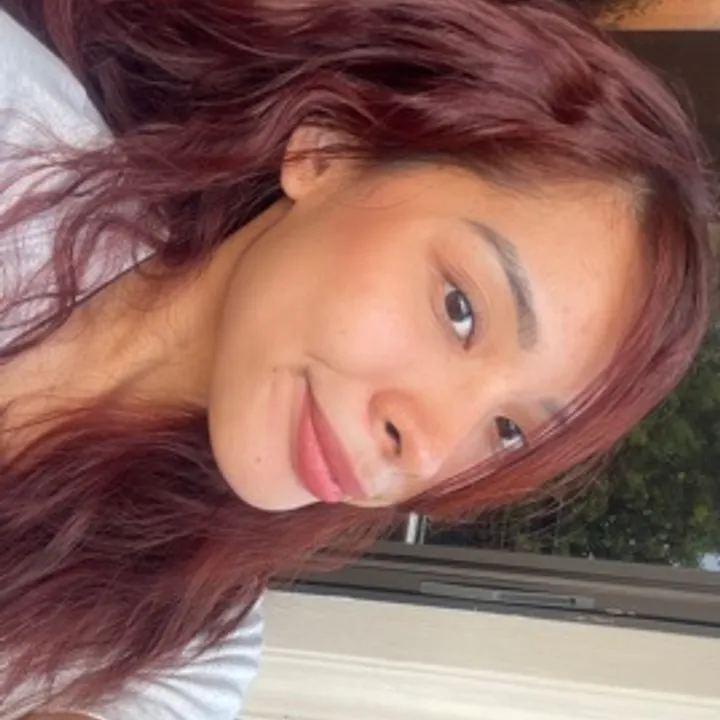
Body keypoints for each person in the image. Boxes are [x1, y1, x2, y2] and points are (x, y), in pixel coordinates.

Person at [0, 0, 715, 718]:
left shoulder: (179, 646)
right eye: (460, 308)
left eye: (508, 431)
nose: (427, 451)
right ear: (327, 151)